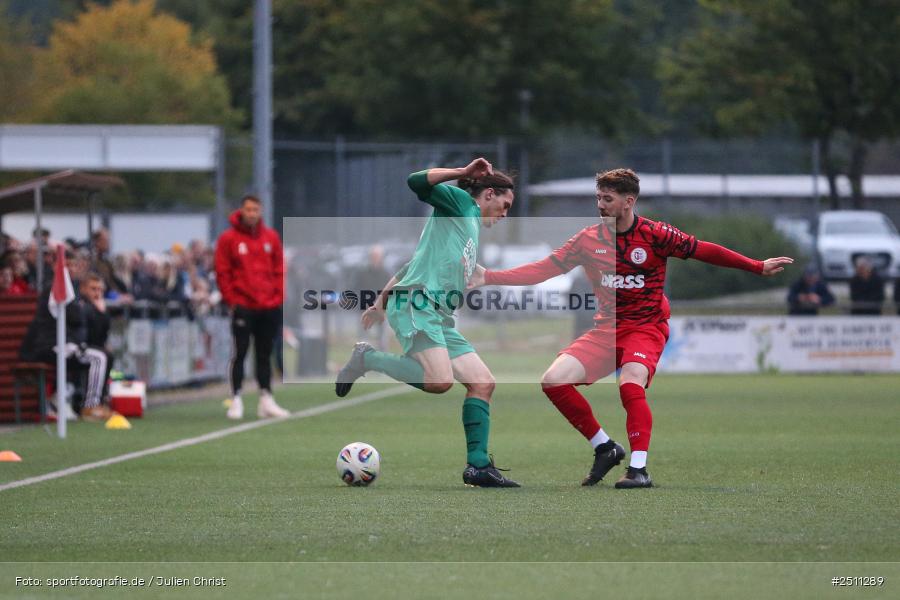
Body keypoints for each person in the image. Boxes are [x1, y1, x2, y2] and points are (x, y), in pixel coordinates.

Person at [468, 168, 793, 489]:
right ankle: (605, 447)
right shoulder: (588, 240)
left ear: (628, 201)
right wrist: (490, 277)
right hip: (606, 331)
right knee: (553, 381)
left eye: (607, 198)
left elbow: (704, 249)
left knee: (629, 383)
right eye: (598, 197)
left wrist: (756, 266)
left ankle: (639, 469)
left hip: (646, 327)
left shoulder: (656, 234)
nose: (600, 204)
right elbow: (543, 270)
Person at [334, 158, 520, 488]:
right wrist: (463, 173)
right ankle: (367, 358)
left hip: (437, 317)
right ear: (489, 193)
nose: (506, 214)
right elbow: (416, 181)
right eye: (505, 205)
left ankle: (478, 466)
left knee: (482, 382)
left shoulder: (470, 226)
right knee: (440, 381)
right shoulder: (462, 203)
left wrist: (380, 302)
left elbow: (412, 264)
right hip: (418, 305)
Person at [214, 194, 289, 419]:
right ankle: (236, 398)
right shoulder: (229, 239)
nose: (252, 213)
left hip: (269, 306)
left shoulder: (271, 237)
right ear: (241, 211)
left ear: (261, 211)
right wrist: (231, 300)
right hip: (243, 305)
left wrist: (278, 297)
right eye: (248, 209)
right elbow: (222, 271)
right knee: (241, 351)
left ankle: (266, 398)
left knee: (264, 354)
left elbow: (279, 269)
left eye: (255, 209)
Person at [18, 252, 109, 419]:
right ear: (57, 266)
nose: (71, 269)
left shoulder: (71, 288)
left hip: (66, 344)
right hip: (51, 346)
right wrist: (92, 308)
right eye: (67, 265)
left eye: (74, 265)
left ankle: (73, 400)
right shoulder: (54, 289)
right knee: (98, 358)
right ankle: (90, 406)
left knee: (101, 354)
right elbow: (76, 317)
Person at [352, 245, 393, 350]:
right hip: (365, 308)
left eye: (378, 256)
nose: (376, 258)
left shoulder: (385, 273)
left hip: (381, 310)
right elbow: (356, 288)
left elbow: (390, 292)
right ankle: (362, 358)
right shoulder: (363, 273)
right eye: (374, 256)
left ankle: (383, 359)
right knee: (363, 337)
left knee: (382, 338)